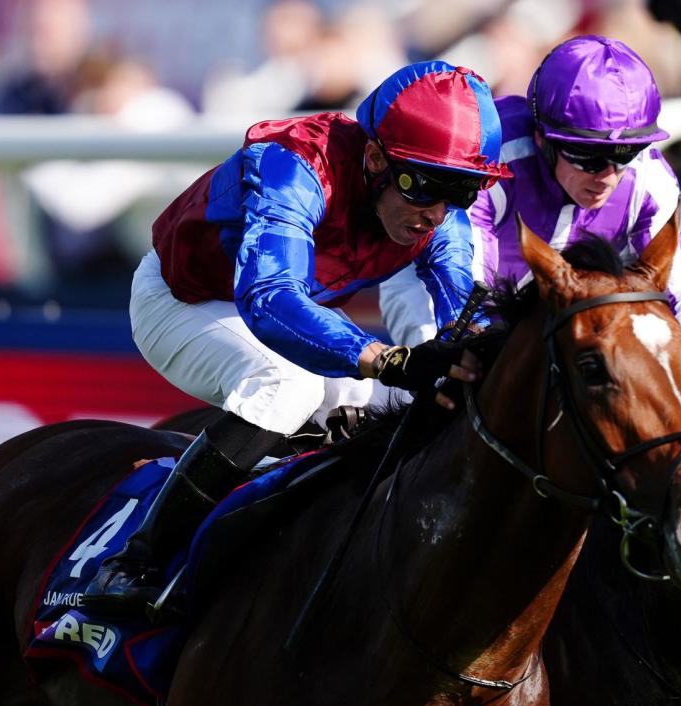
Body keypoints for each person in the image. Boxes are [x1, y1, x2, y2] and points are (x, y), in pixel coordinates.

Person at [83, 61, 510, 615]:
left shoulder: (437, 207)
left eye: (463, 190)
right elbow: (271, 298)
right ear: (377, 159)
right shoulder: (295, 166)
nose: (436, 212)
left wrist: (468, 352)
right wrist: (386, 358)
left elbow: (461, 310)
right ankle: (135, 561)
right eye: (422, 185)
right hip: (182, 301)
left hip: (290, 315)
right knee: (287, 388)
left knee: (414, 405)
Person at [380, 35, 681, 351]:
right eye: (588, 157)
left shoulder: (648, 181)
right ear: (542, 138)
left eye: (625, 154)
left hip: (552, 313)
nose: (608, 176)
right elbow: (463, 286)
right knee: (450, 373)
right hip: (432, 286)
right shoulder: (494, 162)